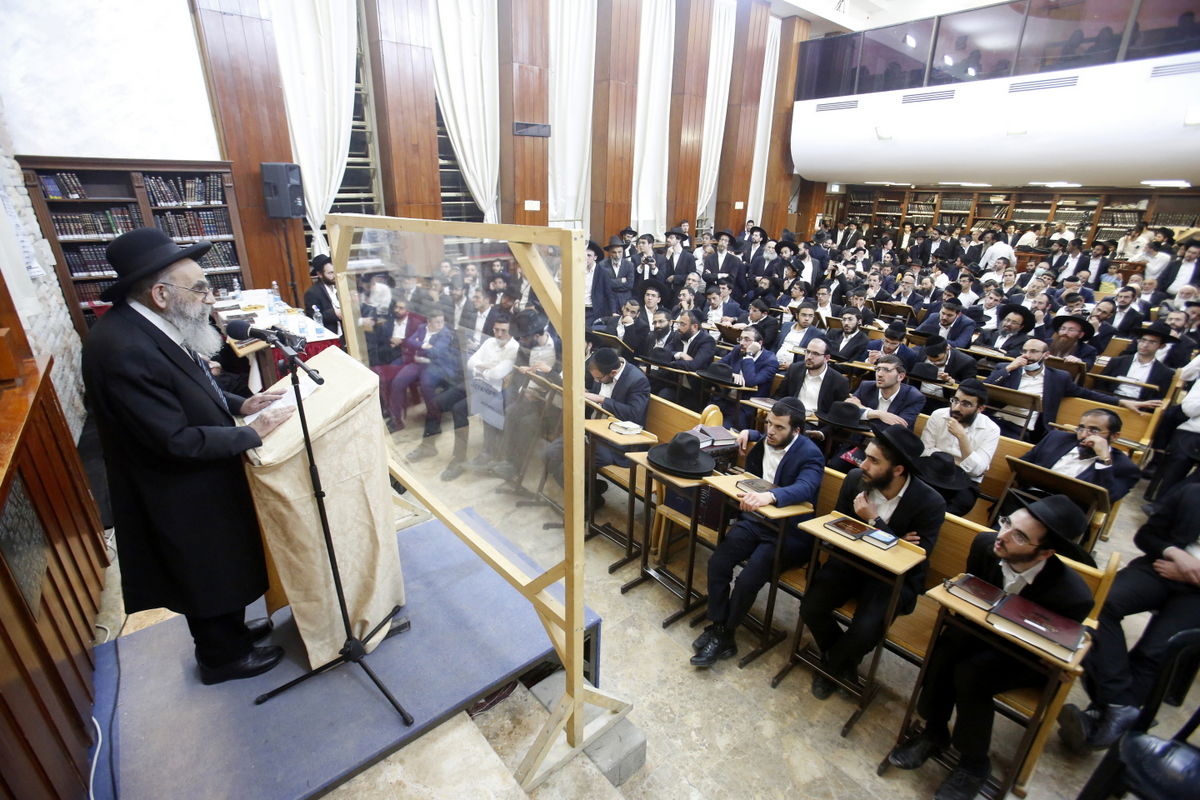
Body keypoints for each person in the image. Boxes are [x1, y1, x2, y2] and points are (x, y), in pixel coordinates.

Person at [81, 227, 294, 684]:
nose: (209, 298)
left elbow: (188, 384)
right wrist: (251, 433)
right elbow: (173, 439)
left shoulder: (150, 323)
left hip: (196, 477)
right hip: (173, 487)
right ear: (161, 294)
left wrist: (240, 405)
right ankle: (221, 657)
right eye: (199, 288)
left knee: (221, 561)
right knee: (204, 568)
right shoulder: (123, 347)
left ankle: (232, 632)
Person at [887, 496, 1094, 800]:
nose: (1003, 535)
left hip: (1024, 656)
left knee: (973, 673)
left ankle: (974, 763)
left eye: (1019, 536)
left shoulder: (1072, 595)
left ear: (1046, 552)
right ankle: (934, 730)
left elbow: (1058, 648)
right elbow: (970, 599)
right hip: (981, 631)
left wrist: (1062, 658)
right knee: (946, 646)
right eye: (1007, 522)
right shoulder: (985, 545)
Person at [800, 425, 945, 698]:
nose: (862, 464)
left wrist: (872, 521)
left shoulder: (930, 502)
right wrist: (894, 539)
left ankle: (831, 665)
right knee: (810, 607)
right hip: (851, 562)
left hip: (893, 580)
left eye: (874, 461)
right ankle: (844, 660)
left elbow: (914, 558)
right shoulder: (856, 478)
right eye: (865, 456)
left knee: (866, 630)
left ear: (899, 470)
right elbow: (838, 528)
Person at [1058, 481, 1200, 754]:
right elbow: (1147, 536)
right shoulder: (1192, 492)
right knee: (1099, 604)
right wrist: (1176, 555)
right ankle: (1119, 705)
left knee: (1157, 649)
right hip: (1163, 566)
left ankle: (1101, 716)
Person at [691, 400, 824, 667]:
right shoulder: (767, 438)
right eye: (768, 424)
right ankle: (720, 625)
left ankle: (725, 633)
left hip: (788, 533)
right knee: (718, 562)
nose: (770, 431)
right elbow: (759, 436)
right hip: (756, 522)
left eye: (778, 427)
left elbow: (806, 488)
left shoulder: (810, 454)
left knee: (747, 580)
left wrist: (770, 497)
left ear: (796, 430)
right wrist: (748, 433)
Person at [1018, 408, 1141, 503]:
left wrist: (1104, 459)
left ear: (1114, 436)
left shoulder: (1126, 468)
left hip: (1063, 516)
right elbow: (1021, 466)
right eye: (1081, 428)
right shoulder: (1056, 438)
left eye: (1094, 431)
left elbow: (1106, 500)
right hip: (1025, 497)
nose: (1083, 436)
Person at [919, 380, 1000, 515]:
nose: (956, 408)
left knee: (958, 505)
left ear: (980, 409)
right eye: (955, 400)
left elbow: (977, 471)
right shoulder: (939, 415)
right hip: (934, 470)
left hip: (965, 480)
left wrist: (962, 437)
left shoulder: (991, 429)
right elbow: (925, 451)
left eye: (966, 404)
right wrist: (957, 461)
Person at [303, 254, 342, 336]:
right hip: (330, 335)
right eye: (330, 273)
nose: (334, 276)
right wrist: (334, 313)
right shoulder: (312, 293)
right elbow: (312, 318)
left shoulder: (338, 286)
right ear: (320, 274)